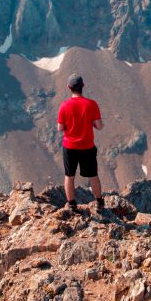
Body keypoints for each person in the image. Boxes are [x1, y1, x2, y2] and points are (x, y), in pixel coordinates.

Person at [57, 73, 104, 210]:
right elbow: (99, 126)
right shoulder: (91, 104)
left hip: (69, 146)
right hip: (87, 146)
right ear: (83, 86)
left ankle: (71, 204)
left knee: (69, 176)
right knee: (93, 175)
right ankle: (99, 202)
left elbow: (60, 128)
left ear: (68, 87)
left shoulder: (64, 105)